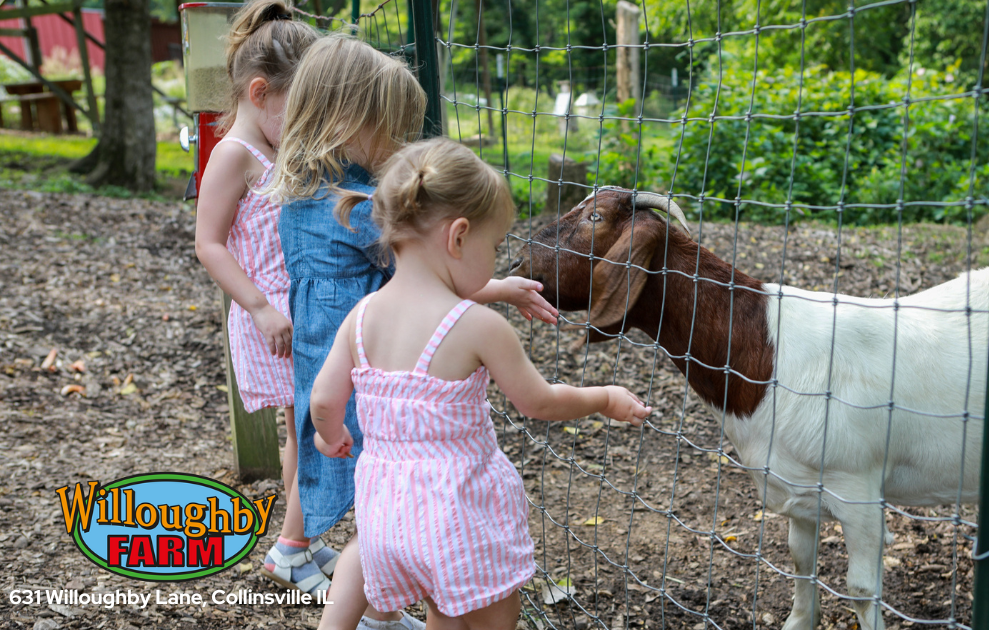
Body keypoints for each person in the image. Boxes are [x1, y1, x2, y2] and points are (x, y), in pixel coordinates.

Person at [268, 37, 558, 630]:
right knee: (388, 504)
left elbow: (415, 282)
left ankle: (339, 575)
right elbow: (425, 287)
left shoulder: (300, 192)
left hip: (326, 347)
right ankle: (371, 607)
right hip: (379, 365)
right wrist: (495, 287)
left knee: (371, 497)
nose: (396, 143)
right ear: (348, 118)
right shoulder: (356, 204)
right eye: (389, 126)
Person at [310, 138, 651, 630]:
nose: (495, 260)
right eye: (494, 247)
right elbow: (539, 401)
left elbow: (324, 400)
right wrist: (604, 398)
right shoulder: (477, 325)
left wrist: (330, 435)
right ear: (458, 237)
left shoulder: (361, 316)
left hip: (385, 517)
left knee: (439, 611)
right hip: (459, 517)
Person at [191, 0, 333, 596]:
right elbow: (208, 244)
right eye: (298, 109)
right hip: (272, 314)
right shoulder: (233, 156)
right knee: (308, 428)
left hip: (302, 306)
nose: (306, 125)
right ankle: (290, 551)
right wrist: (258, 307)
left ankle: (302, 536)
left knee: (301, 430)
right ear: (259, 92)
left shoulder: (277, 150)